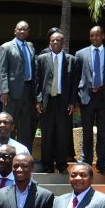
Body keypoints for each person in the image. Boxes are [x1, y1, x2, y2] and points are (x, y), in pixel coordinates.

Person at [76, 26, 105, 173]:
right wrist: (76, 99)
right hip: (86, 97)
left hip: (104, 98)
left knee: (103, 133)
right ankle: (86, 163)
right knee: (86, 132)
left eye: (97, 35)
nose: (94, 38)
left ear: (103, 36)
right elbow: (76, 78)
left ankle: (102, 165)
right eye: (91, 36)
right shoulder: (80, 54)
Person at [36, 31, 77, 174]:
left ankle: (62, 165)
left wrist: (72, 101)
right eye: (53, 40)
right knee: (47, 134)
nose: (55, 43)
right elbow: (38, 81)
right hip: (47, 101)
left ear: (63, 42)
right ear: (49, 43)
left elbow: (74, 84)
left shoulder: (72, 60)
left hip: (63, 102)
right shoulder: (41, 59)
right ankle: (47, 164)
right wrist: (38, 100)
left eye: (58, 40)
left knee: (62, 134)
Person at [0, 20, 37, 149]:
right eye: (19, 29)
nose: (22, 31)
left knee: (26, 126)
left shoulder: (30, 46)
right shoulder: (6, 47)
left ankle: (24, 153)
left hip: (28, 90)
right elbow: (2, 70)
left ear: (28, 32)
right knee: (8, 123)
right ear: (15, 31)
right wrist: (4, 91)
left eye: (25, 29)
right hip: (12, 92)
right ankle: (5, 151)